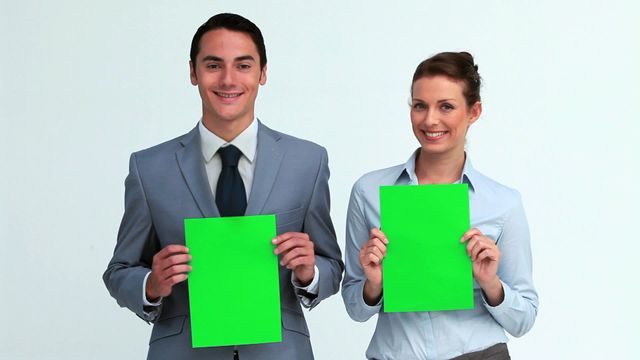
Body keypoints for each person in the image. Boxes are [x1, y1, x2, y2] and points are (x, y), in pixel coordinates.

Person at [103, 13, 343, 360]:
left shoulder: (307, 161)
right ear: (193, 72)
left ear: (262, 73)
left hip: (279, 351)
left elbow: (332, 266)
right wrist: (151, 285)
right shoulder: (149, 168)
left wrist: (309, 272)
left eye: (243, 66)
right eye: (214, 65)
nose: (228, 80)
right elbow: (119, 270)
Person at [341, 52, 538, 360]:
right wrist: (374, 284)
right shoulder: (369, 192)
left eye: (446, 106)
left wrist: (490, 283)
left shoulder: (503, 202)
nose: (430, 119)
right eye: (420, 105)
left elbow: (524, 319)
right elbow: (355, 309)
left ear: (474, 112)